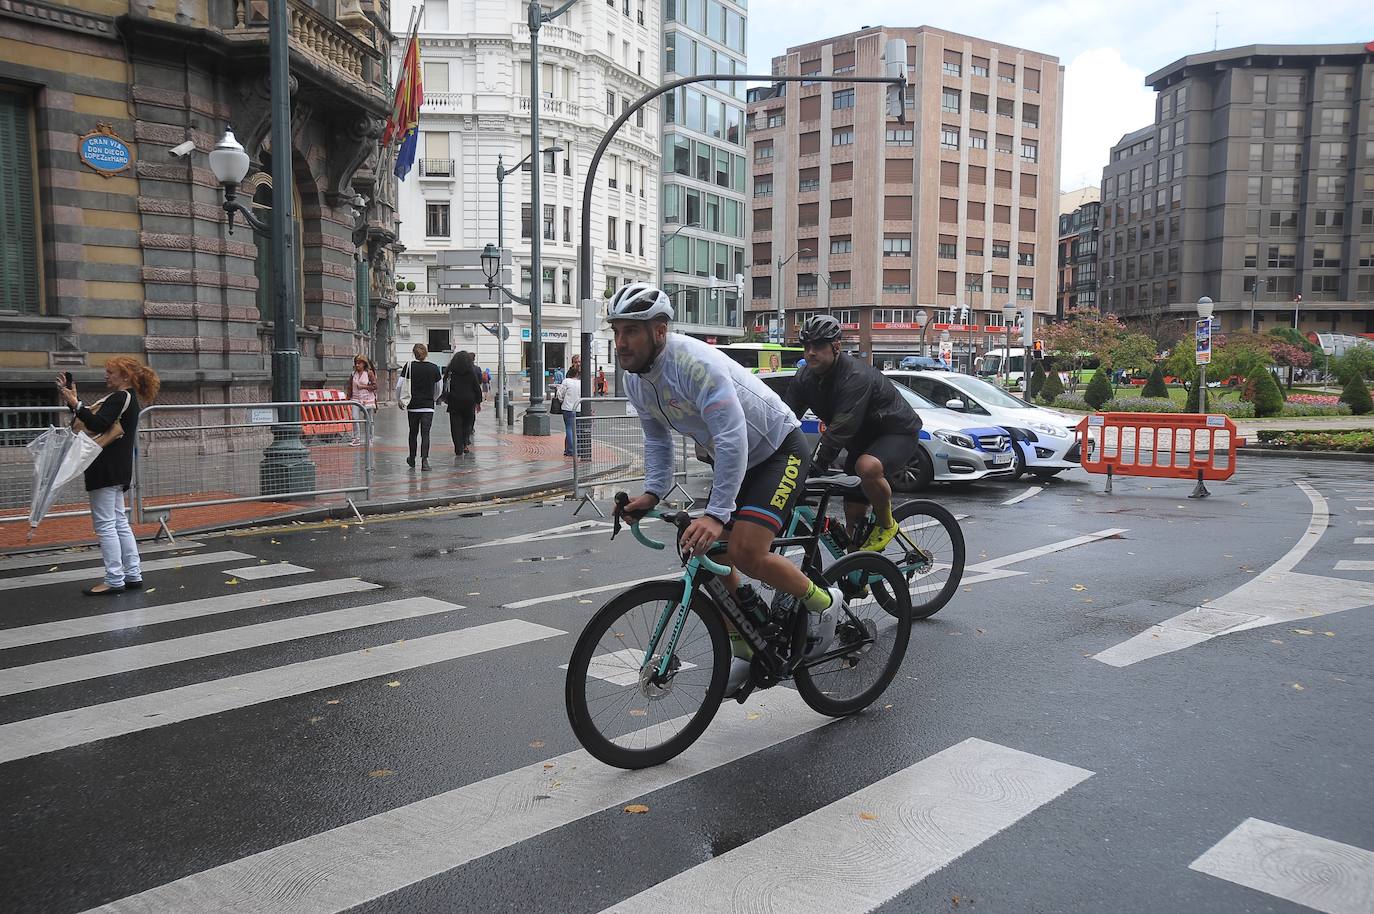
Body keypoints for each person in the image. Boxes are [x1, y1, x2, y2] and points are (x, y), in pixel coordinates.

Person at [608, 282, 845, 696]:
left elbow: (732, 436)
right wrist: (652, 494)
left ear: (659, 331)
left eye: (631, 331)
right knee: (703, 549)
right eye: (617, 331)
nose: (620, 342)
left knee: (746, 552)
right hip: (734, 457)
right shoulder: (635, 379)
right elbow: (658, 439)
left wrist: (717, 514)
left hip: (777, 448)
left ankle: (824, 604)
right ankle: (746, 644)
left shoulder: (694, 364)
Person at [784, 314, 922, 552]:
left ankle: (886, 523)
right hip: (860, 443)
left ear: (836, 347)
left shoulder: (856, 376)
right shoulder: (803, 378)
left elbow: (841, 428)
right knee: (853, 524)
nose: (810, 352)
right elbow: (784, 419)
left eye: (817, 346)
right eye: (806, 346)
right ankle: (858, 578)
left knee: (867, 467)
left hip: (896, 432)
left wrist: (814, 467)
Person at [56, 358, 160, 595]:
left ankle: (114, 578)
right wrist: (75, 402)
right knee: (119, 522)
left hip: (104, 468)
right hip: (118, 469)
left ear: (125, 376)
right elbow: (95, 421)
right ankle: (133, 573)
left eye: (110, 372)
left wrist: (77, 404)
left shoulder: (120, 397)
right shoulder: (129, 399)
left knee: (105, 526)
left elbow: (98, 424)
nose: (106, 375)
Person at [395, 343, 442, 470]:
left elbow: (399, 385)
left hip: (413, 405)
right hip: (428, 406)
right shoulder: (434, 368)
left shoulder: (409, 366)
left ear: (414, 353)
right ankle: (425, 461)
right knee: (425, 434)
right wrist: (433, 398)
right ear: (426, 352)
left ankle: (411, 458)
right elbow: (439, 388)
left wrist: (400, 399)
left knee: (413, 433)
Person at [443, 350, 484, 456]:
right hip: (469, 402)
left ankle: (458, 447)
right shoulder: (471, 372)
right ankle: (465, 443)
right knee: (467, 424)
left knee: (455, 425)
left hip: (454, 401)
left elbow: (444, 383)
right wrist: (478, 402)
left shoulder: (450, 371)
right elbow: (476, 387)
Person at [345, 355, 378, 447]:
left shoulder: (369, 373)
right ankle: (356, 438)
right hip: (355, 399)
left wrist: (364, 387)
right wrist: (347, 398)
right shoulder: (353, 374)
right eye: (356, 363)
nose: (357, 365)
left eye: (359, 363)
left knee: (369, 419)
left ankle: (370, 439)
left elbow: (375, 386)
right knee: (355, 418)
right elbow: (350, 387)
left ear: (364, 364)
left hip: (368, 399)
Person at [556, 364, 581, 457]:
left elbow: (560, 394)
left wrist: (562, 400)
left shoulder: (566, 381)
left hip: (568, 408)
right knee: (578, 429)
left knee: (569, 428)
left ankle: (570, 450)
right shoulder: (580, 382)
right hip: (579, 407)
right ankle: (578, 448)